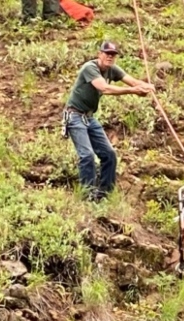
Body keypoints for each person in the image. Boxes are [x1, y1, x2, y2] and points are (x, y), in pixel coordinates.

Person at [63, 41, 155, 201]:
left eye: (113, 55)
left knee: (109, 154)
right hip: (75, 116)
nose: (110, 57)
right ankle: (87, 196)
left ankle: (104, 194)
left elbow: (132, 81)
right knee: (87, 156)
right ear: (100, 54)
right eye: (107, 54)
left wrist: (146, 86)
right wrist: (133, 91)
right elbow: (104, 88)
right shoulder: (89, 68)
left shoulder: (112, 69)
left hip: (89, 117)